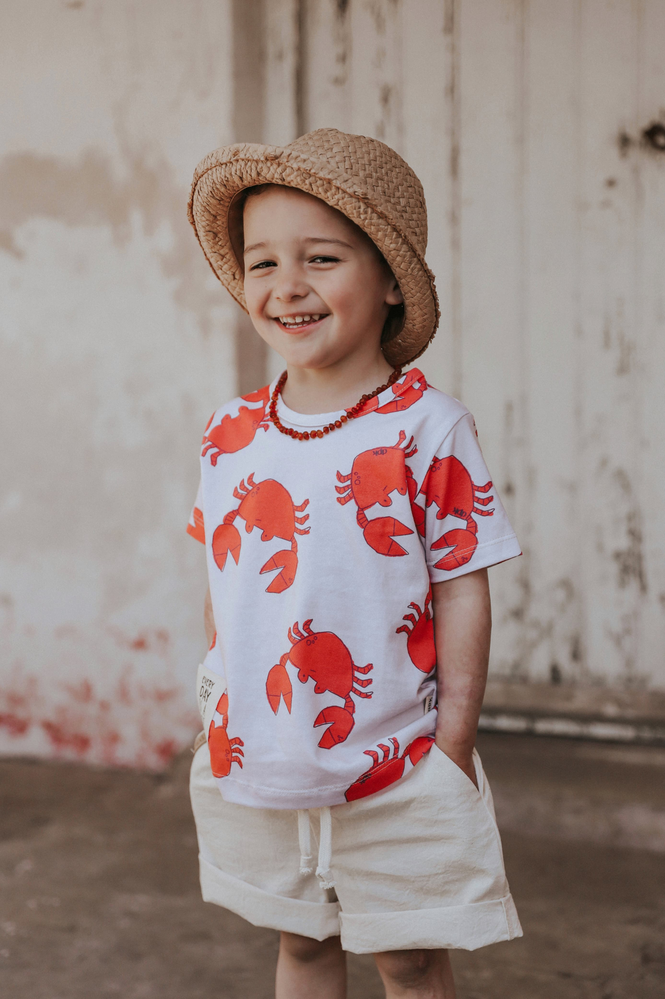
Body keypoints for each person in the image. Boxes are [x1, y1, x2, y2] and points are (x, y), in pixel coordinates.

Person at [185, 128, 522, 999]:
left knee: (410, 957)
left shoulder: (428, 427)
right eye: (262, 262)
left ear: (389, 279)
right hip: (263, 749)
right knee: (300, 942)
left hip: (399, 757)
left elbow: (462, 586)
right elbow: (224, 579)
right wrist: (218, 695)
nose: (287, 285)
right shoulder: (228, 433)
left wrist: (452, 744)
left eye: (321, 258)